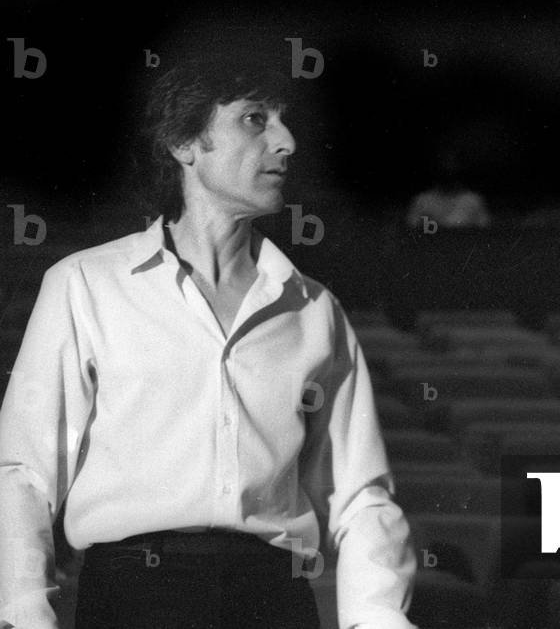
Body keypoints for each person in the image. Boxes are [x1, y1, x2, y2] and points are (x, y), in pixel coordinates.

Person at [0, 57, 416, 628]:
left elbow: (360, 495)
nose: (287, 142)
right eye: (254, 120)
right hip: (135, 596)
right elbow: (23, 476)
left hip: (274, 596)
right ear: (183, 143)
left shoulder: (314, 308)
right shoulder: (84, 284)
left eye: (285, 122)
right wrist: (25, 618)